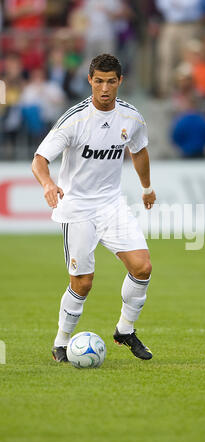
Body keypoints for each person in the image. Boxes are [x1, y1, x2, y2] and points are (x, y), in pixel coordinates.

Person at [32, 54, 156, 362]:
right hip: (77, 208)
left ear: (120, 82)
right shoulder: (75, 119)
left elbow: (138, 151)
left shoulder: (131, 118)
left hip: (112, 204)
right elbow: (39, 160)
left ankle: (125, 330)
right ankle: (61, 342)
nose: (104, 88)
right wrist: (48, 184)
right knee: (83, 283)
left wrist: (147, 188)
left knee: (143, 267)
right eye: (98, 81)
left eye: (110, 81)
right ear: (90, 81)